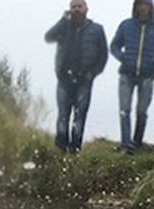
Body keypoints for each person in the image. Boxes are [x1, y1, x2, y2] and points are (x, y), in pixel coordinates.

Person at [45, 0, 109, 154]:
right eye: (73, 7)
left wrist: (92, 73)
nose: (76, 10)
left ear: (86, 9)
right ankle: (60, 148)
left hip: (84, 80)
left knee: (79, 116)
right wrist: (62, 20)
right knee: (63, 115)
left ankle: (74, 149)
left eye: (79, 6)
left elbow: (103, 55)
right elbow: (49, 37)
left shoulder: (97, 29)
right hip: (64, 78)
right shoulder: (64, 27)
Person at [110, 0, 154, 153]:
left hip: (147, 76)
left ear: (151, 8)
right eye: (140, 5)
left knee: (142, 111)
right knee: (124, 109)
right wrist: (123, 57)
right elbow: (114, 45)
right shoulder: (126, 25)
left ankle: (136, 143)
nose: (143, 8)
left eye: (146, 5)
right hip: (127, 74)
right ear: (136, 7)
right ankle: (126, 144)